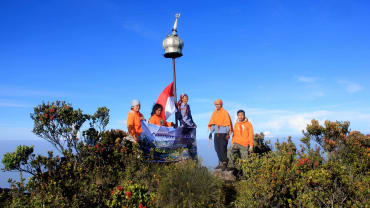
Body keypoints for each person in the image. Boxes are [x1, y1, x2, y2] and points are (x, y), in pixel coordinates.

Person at [208, 99, 233, 170]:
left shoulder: (225, 112)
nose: (217, 105)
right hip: (216, 133)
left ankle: (225, 162)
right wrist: (211, 132)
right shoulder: (214, 113)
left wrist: (227, 133)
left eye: (218, 104)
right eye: (216, 104)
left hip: (224, 133)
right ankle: (220, 163)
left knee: (223, 148)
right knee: (217, 148)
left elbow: (228, 123)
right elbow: (213, 123)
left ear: (221, 104)